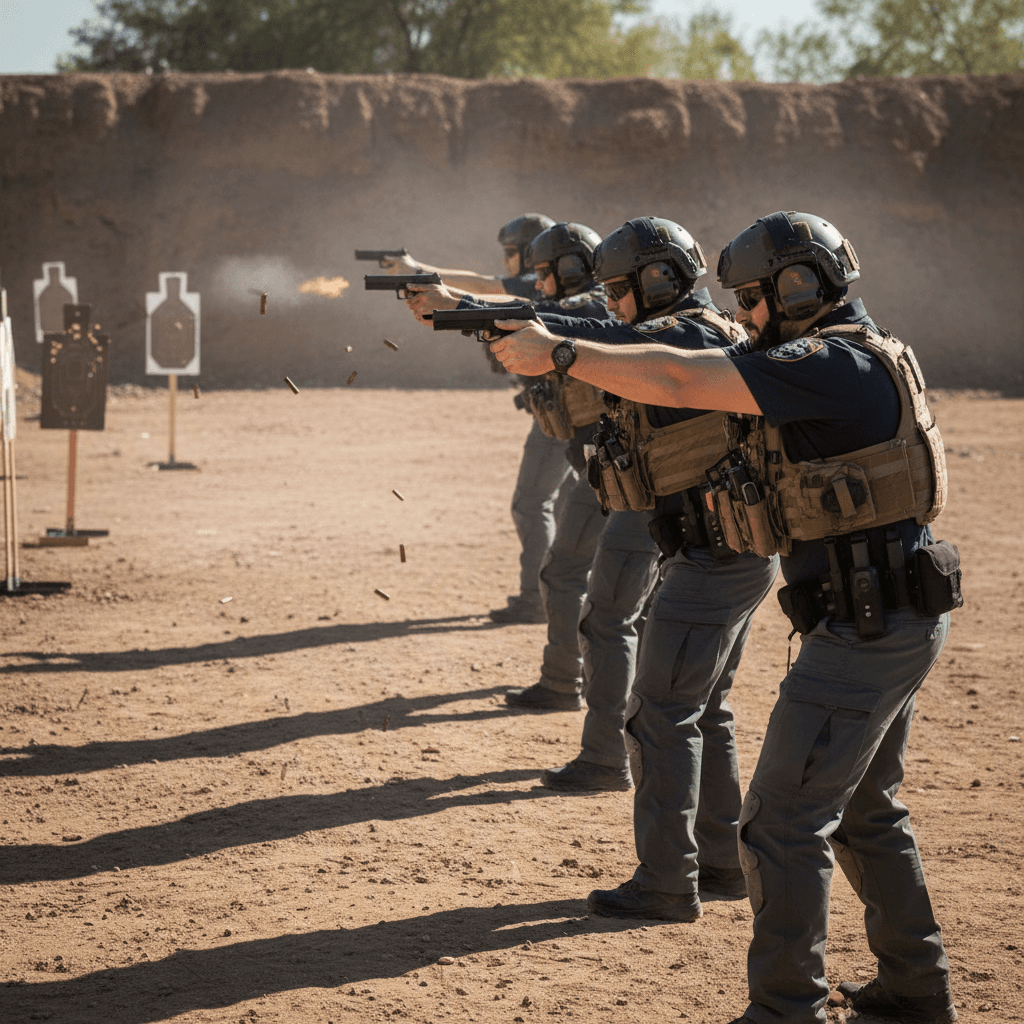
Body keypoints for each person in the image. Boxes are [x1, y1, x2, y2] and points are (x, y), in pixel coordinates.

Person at [488, 210, 961, 1024]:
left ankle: (786, 1009)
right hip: (881, 613)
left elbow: (678, 378)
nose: (742, 314)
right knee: (865, 810)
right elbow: (671, 354)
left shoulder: (830, 363)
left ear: (799, 285)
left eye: (752, 298)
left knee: (780, 823)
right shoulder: (847, 351)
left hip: (865, 627)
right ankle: (916, 991)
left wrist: (562, 354)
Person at [407, 223, 611, 651]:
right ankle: (566, 676)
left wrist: (461, 303)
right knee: (574, 554)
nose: (535, 282)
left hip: (603, 454)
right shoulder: (572, 304)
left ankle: (563, 667)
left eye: (544, 272)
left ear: (571, 267)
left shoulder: (593, 304)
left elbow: (547, 313)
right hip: (583, 446)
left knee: (575, 556)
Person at [392, 214, 568, 624]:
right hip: (560, 413)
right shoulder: (551, 288)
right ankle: (552, 594)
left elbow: (485, 288)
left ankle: (538, 597)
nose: (507, 262)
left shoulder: (541, 289)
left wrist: (426, 280)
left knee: (533, 504)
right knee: (558, 505)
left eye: (511, 254)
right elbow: (486, 286)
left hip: (563, 417)